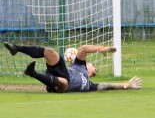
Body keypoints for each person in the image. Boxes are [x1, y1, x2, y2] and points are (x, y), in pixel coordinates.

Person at [3, 42, 142, 93]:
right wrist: (102, 49)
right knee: (51, 52)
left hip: (61, 85)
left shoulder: (90, 85)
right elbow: (83, 49)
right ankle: (17, 48)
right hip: (61, 71)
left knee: (64, 83)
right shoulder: (79, 65)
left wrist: (127, 84)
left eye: (95, 70)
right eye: (93, 66)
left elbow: (108, 85)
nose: (94, 68)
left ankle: (33, 73)